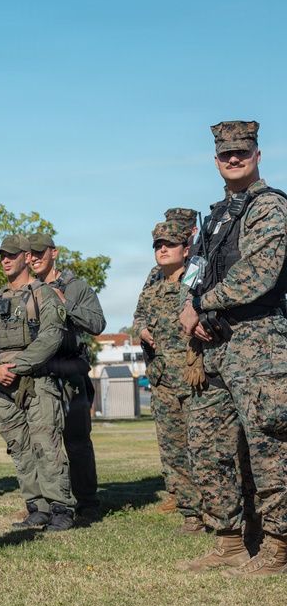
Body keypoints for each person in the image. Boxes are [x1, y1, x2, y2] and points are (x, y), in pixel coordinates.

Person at [177, 120, 287, 577]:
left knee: (270, 444)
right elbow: (194, 271)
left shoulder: (271, 208)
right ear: (216, 160)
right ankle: (228, 542)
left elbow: (258, 273)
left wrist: (201, 304)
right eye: (226, 154)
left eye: (243, 152)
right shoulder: (219, 215)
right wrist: (189, 305)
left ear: (258, 155)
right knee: (209, 445)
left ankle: (279, 547)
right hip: (214, 343)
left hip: (258, 340)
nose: (234, 159)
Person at [0, 234, 75, 532]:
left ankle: (61, 509)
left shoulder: (43, 294)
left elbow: (51, 337)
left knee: (46, 444)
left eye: (11, 255)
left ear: (25, 257)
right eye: (2, 256)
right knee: (19, 448)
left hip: (38, 381)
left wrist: (16, 366)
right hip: (3, 386)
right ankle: (37, 508)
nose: (5, 260)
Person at [133, 223, 206, 536]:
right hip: (163, 382)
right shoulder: (152, 288)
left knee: (203, 450)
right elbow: (138, 315)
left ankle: (219, 511)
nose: (162, 250)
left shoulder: (197, 283)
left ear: (185, 249)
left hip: (195, 379)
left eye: (170, 245)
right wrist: (141, 328)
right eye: (158, 246)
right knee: (173, 452)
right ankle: (192, 515)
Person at [28, 232, 105, 521]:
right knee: (41, 444)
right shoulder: (27, 289)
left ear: (54, 253)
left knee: (77, 442)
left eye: (39, 252)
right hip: (38, 377)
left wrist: (65, 304)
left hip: (70, 374)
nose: (33, 258)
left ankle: (87, 503)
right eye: (30, 254)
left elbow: (98, 323)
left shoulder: (75, 287)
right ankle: (47, 506)